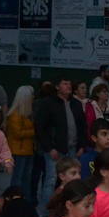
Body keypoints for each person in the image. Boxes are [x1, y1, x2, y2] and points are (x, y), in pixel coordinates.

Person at [34, 79, 80, 210]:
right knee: (51, 180)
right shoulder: (48, 103)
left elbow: (82, 126)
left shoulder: (75, 103)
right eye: (65, 83)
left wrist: (81, 145)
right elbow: (40, 127)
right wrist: (49, 148)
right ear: (57, 86)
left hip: (72, 147)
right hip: (55, 149)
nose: (69, 86)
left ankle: (69, 210)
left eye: (69, 83)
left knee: (73, 180)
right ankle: (45, 211)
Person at [5, 86, 37, 199]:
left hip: (27, 150)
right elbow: (18, 134)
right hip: (18, 151)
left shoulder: (27, 113)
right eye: (31, 95)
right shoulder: (14, 114)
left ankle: (23, 201)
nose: (33, 97)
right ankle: (14, 200)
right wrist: (34, 131)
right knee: (18, 178)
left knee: (25, 179)